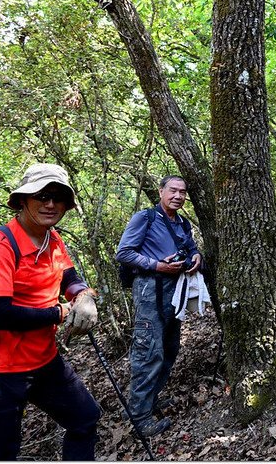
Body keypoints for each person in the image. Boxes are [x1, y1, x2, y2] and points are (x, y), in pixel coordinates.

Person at [0, 163, 101, 460]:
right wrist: (61, 313)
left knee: (85, 418)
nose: (50, 204)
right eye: (42, 195)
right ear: (23, 200)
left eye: (58, 197)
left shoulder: (52, 238)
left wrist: (85, 296)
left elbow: (69, 279)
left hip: (43, 361)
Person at [116, 175, 203, 437]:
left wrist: (196, 255)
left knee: (169, 347)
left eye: (183, 192)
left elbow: (190, 247)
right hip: (149, 290)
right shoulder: (146, 218)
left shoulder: (182, 223)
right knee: (148, 351)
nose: (178, 196)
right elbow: (124, 253)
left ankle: (147, 401)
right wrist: (157, 265)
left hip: (173, 292)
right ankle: (140, 419)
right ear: (161, 191)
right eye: (173, 190)